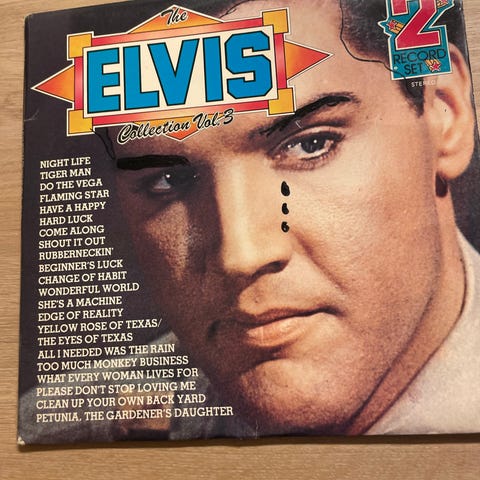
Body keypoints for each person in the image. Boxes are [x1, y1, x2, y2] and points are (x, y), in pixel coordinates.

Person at [109, 0, 480, 437]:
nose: (241, 256)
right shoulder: (66, 428)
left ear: (445, 114)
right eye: (169, 180)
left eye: (311, 145)